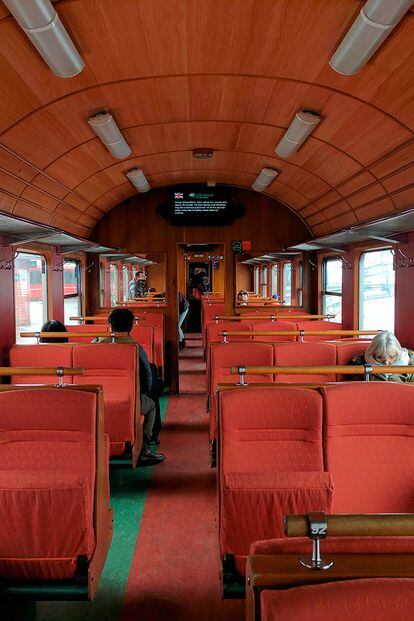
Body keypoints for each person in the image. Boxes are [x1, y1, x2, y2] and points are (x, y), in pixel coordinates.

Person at [93, 308, 165, 465]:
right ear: (131, 326)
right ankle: (144, 445)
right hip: (127, 401)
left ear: (110, 325)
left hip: (93, 400)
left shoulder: (95, 343)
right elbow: (147, 380)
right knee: (151, 405)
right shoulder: (135, 348)